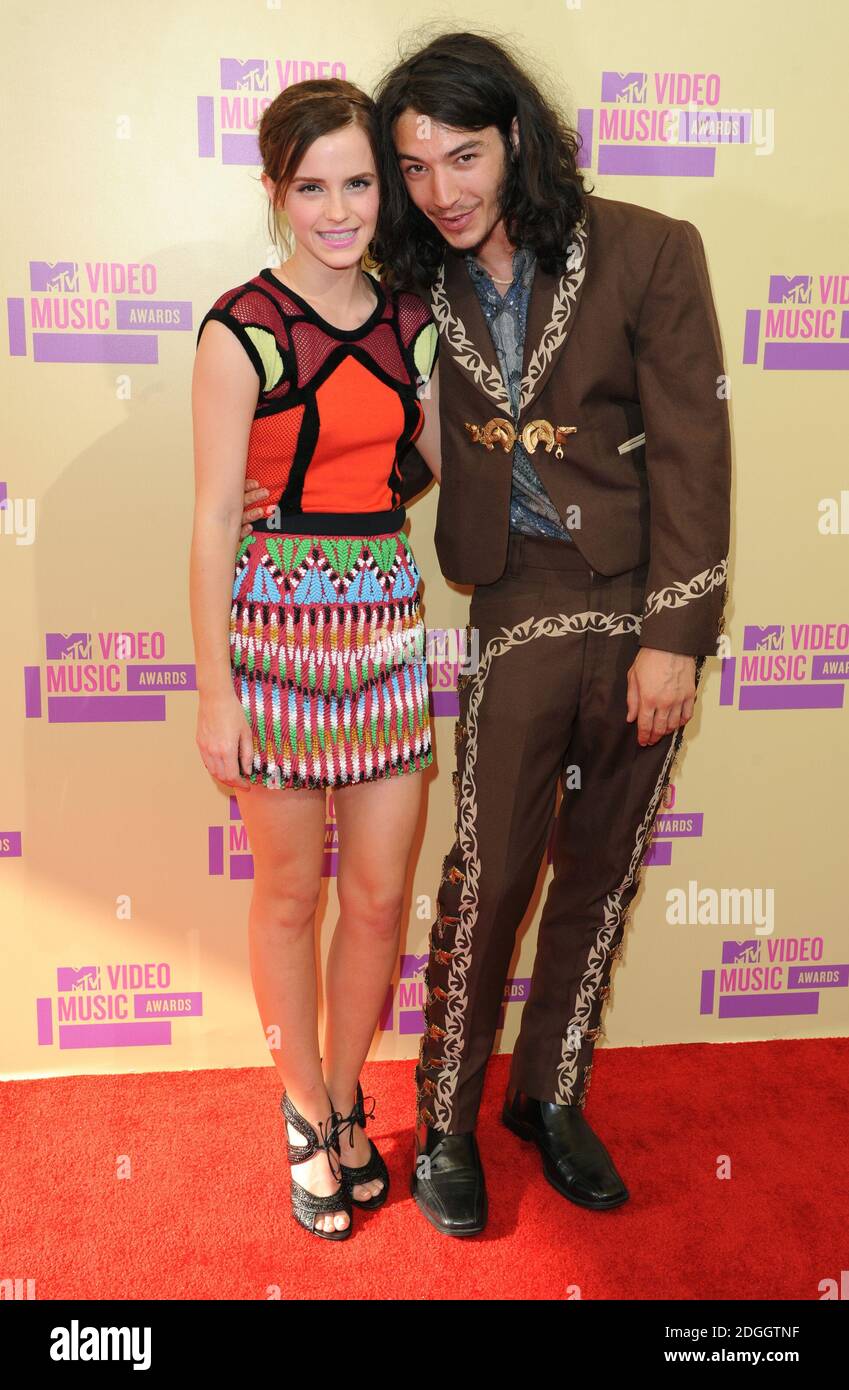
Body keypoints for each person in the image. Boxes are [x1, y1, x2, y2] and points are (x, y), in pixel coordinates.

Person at [240, 29, 732, 1238]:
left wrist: (677, 634)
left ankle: (550, 1099)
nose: (440, 190)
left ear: (514, 139)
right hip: (509, 603)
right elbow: (385, 433)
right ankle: (448, 1116)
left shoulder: (651, 251)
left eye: (462, 156)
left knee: (600, 877)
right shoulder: (411, 282)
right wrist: (283, 481)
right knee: (487, 881)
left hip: (635, 605)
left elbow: (692, 449)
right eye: (412, 167)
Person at [190, 78, 440, 1240]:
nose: (338, 210)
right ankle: (301, 1110)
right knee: (291, 896)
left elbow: (451, 460)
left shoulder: (410, 320)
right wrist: (214, 694)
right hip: (274, 632)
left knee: (382, 897)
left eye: (359, 182)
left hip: (388, 622)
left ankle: (346, 1095)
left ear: (381, 189)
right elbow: (207, 520)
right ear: (276, 191)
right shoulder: (239, 327)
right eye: (312, 187)